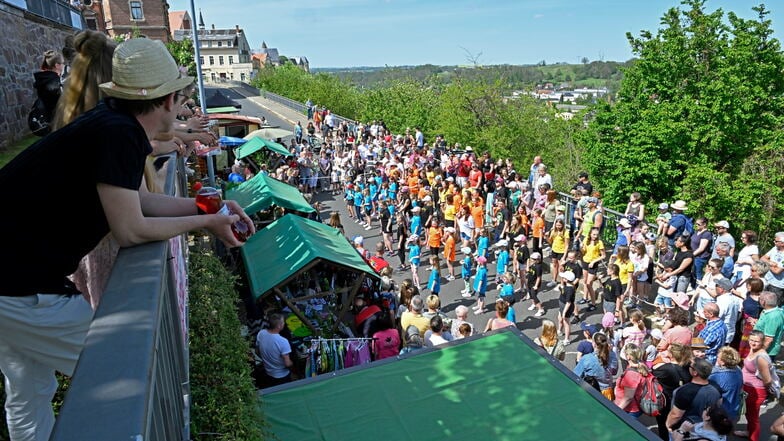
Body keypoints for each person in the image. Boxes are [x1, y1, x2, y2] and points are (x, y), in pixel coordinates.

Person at [0, 38, 256, 441]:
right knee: (120, 369)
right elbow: (132, 228)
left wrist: (211, 210)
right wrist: (203, 223)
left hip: (13, 274)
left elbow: (136, 201)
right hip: (18, 282)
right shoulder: (119, 134)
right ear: (169, 99)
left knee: (29, 391)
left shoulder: (112, 123)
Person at [738, 330, 777, 440]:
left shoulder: (761, 358)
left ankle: (753, 438)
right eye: (751, 340)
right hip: (748, 388)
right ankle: (748, 432)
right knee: (749, 415)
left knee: (753, 417)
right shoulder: (753, 349)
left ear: (762, 342)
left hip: (756, 391)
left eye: (757, 341)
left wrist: (766, 393)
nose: (753, 343)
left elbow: (768, 380)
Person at [666, 358, 722, 432]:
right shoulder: (716, 387)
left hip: (687, 429)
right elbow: (719, 404)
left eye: (690, 366)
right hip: (707, 427)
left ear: (695, 372)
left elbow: (676, 415)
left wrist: (668, 425)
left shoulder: (684, 391)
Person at [652, 342, 693, 440]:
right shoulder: (688, 367)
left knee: (664, 426)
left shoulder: (664, 369)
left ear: (671, 355)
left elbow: (652, 370)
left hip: (666, 402)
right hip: (683, 402)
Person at [574, 331, 618, 400]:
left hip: (591, 392)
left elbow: (576, 375)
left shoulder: (587, 358)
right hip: (608, 392)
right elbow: (614, 372)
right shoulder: (612, 355)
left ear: (594, 344)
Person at [255, 313, 293, 387]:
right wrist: (293, 366)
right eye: (283, 322)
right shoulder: (282, 341)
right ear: (279, 326)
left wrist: (266, 359)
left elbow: (257, 351)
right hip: (282, 376)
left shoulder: (261, 333)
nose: (284, 323)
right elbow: (287, 363)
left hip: (268, 373)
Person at [32, 49, 65, 135]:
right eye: (62, 63)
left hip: (47, 122)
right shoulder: (54, 82)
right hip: (56, 123)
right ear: (57, 65)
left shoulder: (44, 80)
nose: (63, 65)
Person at [708, 346, 743, 423]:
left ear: (723, 362)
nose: (717, 359)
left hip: (720, 413)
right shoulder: (738, 370)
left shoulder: (716, 375)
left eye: (718, 357)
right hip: (734, 409)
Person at [614, 343, 648, 418]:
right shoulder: (640, 365)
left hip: (628, 410)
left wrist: (616, 411)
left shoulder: (631, 374)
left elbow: (628, 397)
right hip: (633, 407)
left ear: (628, 356)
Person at [753, 290, 784, 359]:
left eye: (760, 299)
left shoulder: (773, 317)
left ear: (763, 302)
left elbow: (768, 339)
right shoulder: (768, 311)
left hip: (766, 352)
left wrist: (758, 353)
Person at [761, 232, 784, 303]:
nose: (774, 242)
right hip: (767, 280)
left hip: (777, 286)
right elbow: (762, 258)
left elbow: (777, 271)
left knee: (774, 306)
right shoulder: (774, 248)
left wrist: (767, 263)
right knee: (762, 302)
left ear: (782, 243)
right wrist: (771, 263)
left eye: (776, 241)